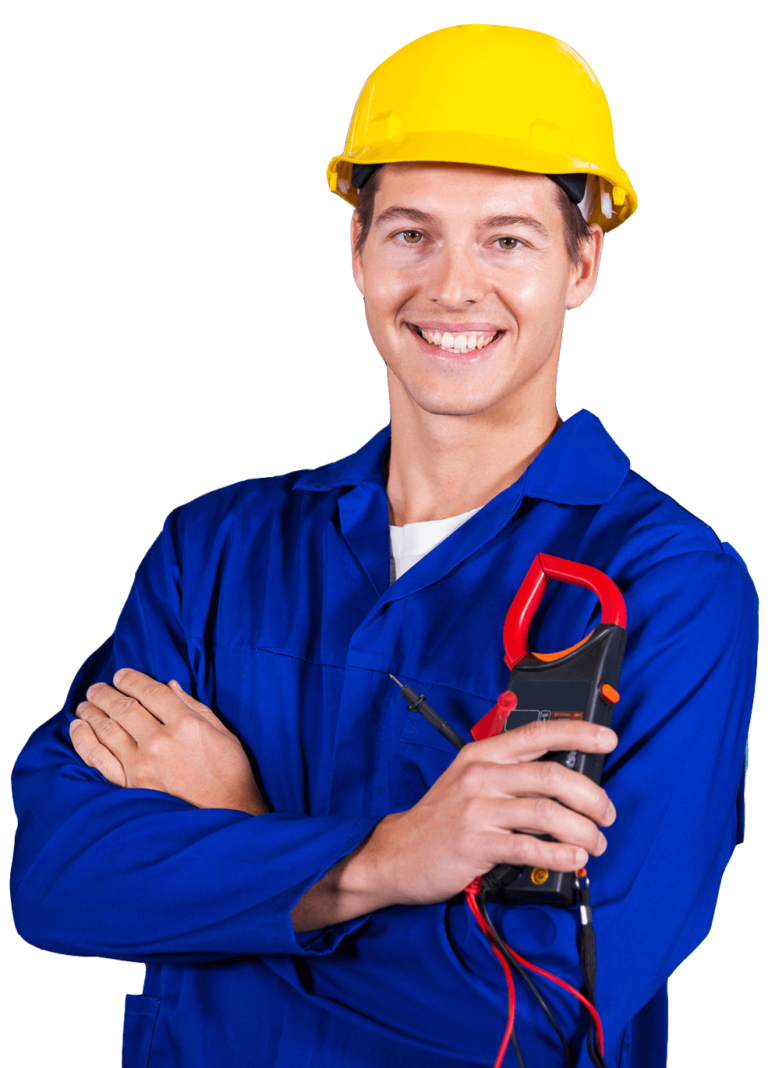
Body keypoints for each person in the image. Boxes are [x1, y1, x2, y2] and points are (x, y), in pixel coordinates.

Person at [10, 24, 757, 1068]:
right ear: (357, 248)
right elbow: (57, 881)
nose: (452, 286)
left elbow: (536, 1016)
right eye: (412, 233)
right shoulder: (215, 551)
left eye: (507, 238)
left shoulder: (664, 589)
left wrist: (238, 833)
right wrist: (389, 860)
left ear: (583, 262)